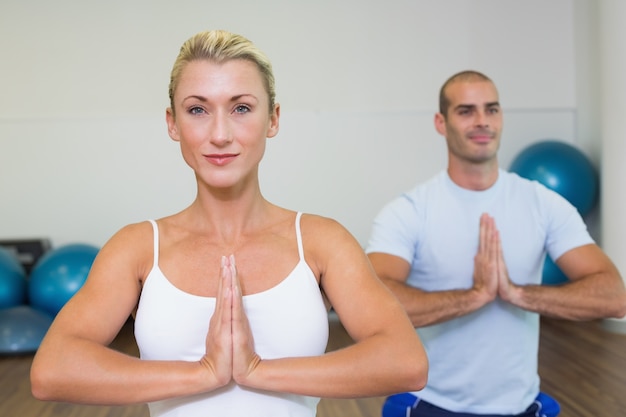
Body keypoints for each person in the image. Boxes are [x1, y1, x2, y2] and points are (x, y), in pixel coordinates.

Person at [30, 30, 428, 416]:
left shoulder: (321, 242)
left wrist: (257, 370)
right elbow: (52, 371)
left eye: (241, 108)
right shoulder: (137, 248)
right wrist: (203, 373)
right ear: (173, 123)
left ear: (273, 119)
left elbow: (404, 360)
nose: (220, 134)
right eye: (198, 110)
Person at [366, 70, 626, 417]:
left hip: (521, 405)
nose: (482, 121)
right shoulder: (409, 211)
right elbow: (372, 303)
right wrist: (473, 296)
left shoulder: (542, 202)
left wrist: (518, 293)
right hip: (434, 403)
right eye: (466, 111)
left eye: (491, 109)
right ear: (441, 123)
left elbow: (614, 296)